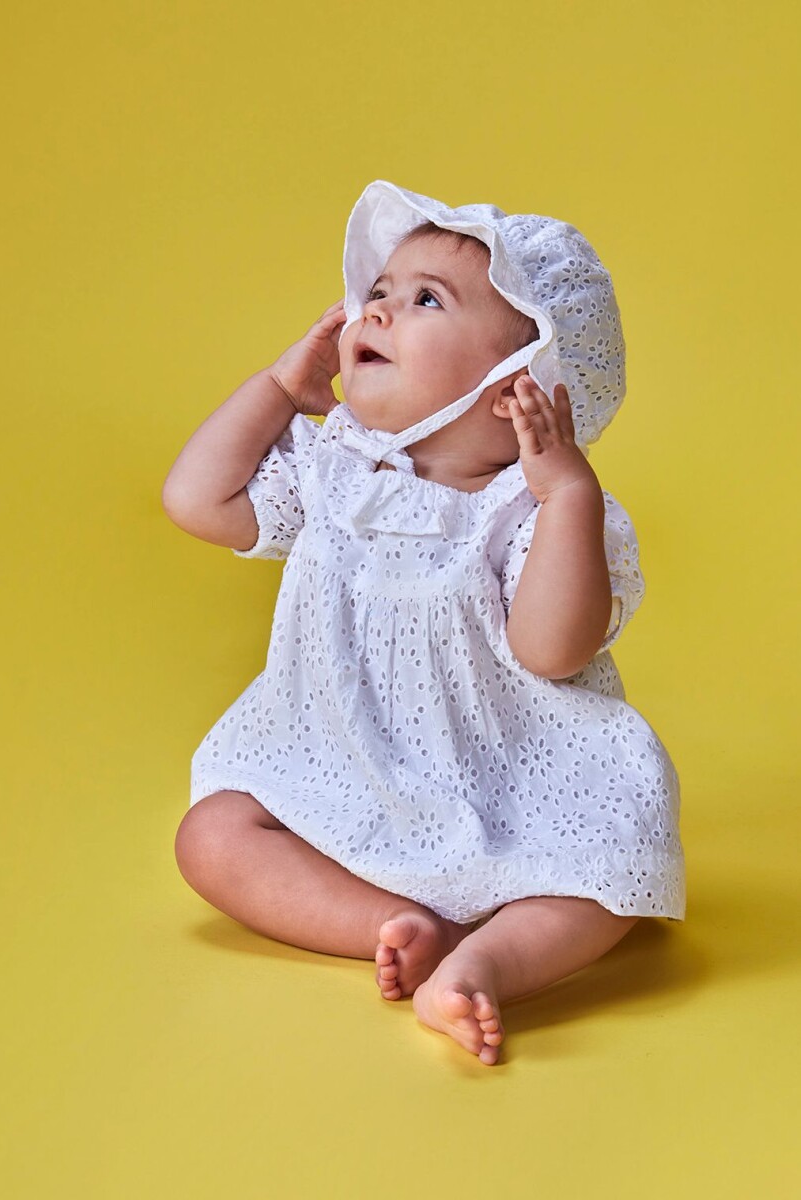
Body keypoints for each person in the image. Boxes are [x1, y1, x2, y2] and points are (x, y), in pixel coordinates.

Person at [164, 180, 686, 1066]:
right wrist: (281, 389)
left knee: (620, 873)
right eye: (379, 293)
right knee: (210, 837)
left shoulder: (533, 511)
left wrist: (566, 490)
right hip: (343, 771)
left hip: (523, 788)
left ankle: (484, 966)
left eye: (424, 300)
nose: (376, 311)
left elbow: (549, 650)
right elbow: (196, 500)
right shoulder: (336, 472)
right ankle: (391, 923)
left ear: (512, 386)